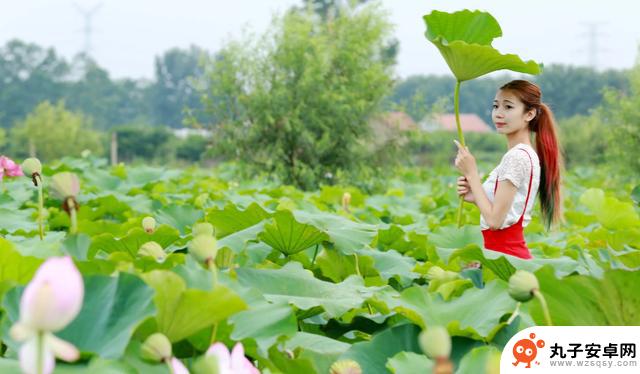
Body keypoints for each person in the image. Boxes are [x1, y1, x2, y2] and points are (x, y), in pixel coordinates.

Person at [453, 80, 563, 259]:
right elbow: (503, 211)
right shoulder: (523, 154)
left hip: (506, 257)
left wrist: (472, 174)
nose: (498, 114)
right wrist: (475, 195)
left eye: (508, 107)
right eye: (496, 106)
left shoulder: (517, 157)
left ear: (529, 114)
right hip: (502, 255)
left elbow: (495, 221)